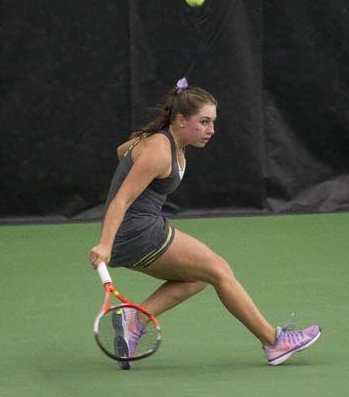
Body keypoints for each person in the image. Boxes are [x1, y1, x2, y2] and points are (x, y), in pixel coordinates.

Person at [88, 78, 321, 368]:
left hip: (137, 230)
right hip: (136, 232)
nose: (211, 130)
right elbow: (120, 199)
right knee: (219, 269)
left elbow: (122, 151)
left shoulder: (162, 142)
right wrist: (106, 244)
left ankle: (134, 320)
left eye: (213, 122)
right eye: (204, 122)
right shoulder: (160, 149)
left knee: (199, 277)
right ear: (182, 120)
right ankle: (274, 342)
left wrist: (139, 154)